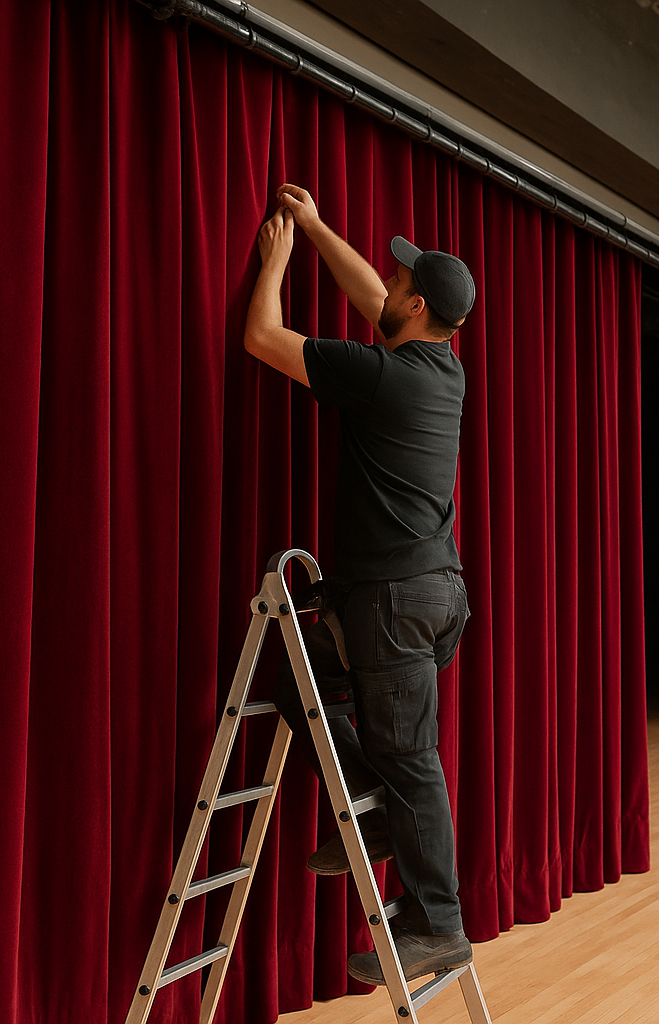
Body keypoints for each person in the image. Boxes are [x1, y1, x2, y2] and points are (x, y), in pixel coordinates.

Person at [243, 183, 476, 985]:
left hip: (394, 601)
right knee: (292, 681)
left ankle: (438, 924)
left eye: (402, 283)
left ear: (417, 309)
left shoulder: (381, 376)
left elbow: (264, 338)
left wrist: (276, 259)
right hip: (426, 596)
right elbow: (374, 297)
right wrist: (312, 226)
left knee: (412, 759)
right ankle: (370, 819)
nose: (390, 284)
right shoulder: (444, 369)